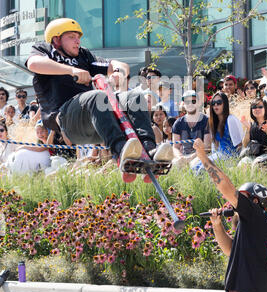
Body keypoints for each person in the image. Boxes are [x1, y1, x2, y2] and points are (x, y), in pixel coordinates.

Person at [25, 18, 172, 182]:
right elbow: (34, 64)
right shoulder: (44, 50)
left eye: (78, 37)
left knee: (134, 96)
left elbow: (119, 64)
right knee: (98, 97)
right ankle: (121, 150)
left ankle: (149, 148)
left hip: (96, 120)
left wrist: (117, 72)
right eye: (72, 37)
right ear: (57, 39)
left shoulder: (84, 55)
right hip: (67, 120)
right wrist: (71, 70)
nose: (77, 41)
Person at [193, 137, 267, 292]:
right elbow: (231, 251)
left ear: (255, 202)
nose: (234, 206)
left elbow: (226, 188)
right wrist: (217, 226)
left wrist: (203, 158)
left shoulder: (256, 215)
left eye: (243, 199)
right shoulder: (262, 225)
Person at [192, 91, 243, 174]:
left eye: (219, 102)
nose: (215, 105)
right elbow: (215, 146)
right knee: (194, 168)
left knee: (202, 169)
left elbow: (240, 145)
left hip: (230, 156)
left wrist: (236, 163)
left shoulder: (231, 119)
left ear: (225, 104)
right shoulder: (213, 122)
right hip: (219, 154)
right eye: (213, 103)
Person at [172, 90, 211, 167]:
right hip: (184, 156)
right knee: (175, 164)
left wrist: (190, 158)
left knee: (193, 164)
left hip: (202, 155)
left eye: (193, 101)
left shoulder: (206, 120)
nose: (190, 104)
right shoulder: (178, 123)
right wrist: (180, 157)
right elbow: (175, 147)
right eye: (187, 102)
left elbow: (207, 147)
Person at [240, 99, 267, 164]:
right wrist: (248, 129)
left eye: (260, 107)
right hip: (254, 155)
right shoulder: (252, 125)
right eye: (254, 107)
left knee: (257, 163)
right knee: (242, 163)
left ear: (265, 108)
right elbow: (245, 144)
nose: (257, 109)